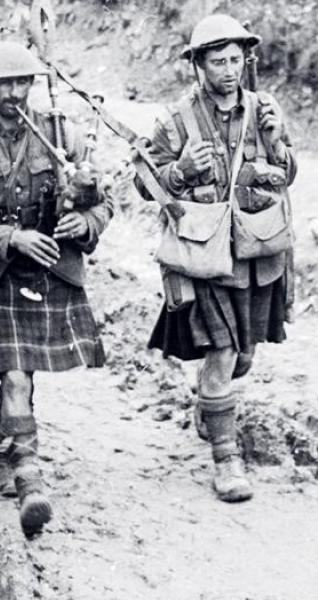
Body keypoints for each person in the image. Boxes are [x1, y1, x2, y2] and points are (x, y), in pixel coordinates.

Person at [0, 42, 112, 536]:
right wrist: (12, 239)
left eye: (22, 82)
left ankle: (5, 453)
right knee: (16, 375)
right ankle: (29, 478)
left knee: (23, 375)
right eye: (4, 84)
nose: (14, 93)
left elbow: (104, 202)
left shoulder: (62, 135)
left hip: (49, 271)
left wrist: (85, 222)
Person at [141, 15, 296, 503]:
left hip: (257, 252)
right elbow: (144, 180)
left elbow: (288, 173)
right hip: (206, 255)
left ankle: (210, 402)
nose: (229, 71)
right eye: (217, 62)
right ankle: (227, 460)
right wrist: (181, 172)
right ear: (198, 65)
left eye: (235, 60)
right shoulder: (177, 119)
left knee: (244, 356)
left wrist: (277, 146)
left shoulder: (263, 109)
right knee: (224, 353)